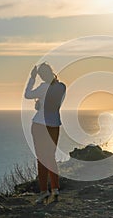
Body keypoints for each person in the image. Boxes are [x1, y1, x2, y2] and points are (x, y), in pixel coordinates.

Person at [24, 62, 66, 204]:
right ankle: (55, 188)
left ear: (43, 75)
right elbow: (55, 105)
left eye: (41, 74)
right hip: (55, 125)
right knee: (51, 157)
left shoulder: (42, 87)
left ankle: (43, 192)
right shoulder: (62, 87)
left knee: (41, 158)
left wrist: (32, 78)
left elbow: (27, 95)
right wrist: (41, 104)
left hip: (40, 125)